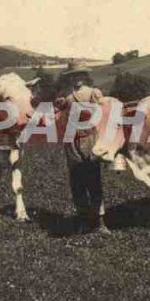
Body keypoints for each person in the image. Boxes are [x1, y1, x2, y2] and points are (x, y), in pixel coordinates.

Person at [58, 61, 110, 234]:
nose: (76, 78)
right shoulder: (67, 96)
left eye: (80, 75)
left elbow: (104, 112)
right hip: (72, 140)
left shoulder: (94, 93)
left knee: (94, 180)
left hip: (90, 139)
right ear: (70, 77)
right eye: (73, 75)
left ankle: (100, 221)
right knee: (77, 181)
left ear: (85, 76)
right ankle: (83, 220)